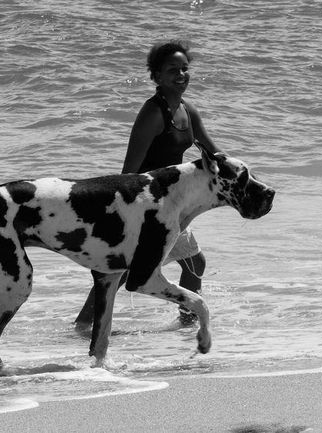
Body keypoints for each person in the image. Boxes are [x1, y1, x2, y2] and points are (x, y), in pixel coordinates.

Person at [75, 40, 220, 327]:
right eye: (172, 70)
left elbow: (212, 153)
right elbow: (129, 171)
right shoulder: (153, 113)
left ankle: (187, 323)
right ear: (156, 77)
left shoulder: (187, 110)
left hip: (171, 205)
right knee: (123, 272)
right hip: (145, 207)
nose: (180, 75)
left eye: (184, 69)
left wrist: (240, 180)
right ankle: (84, 325)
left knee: (194, 263)